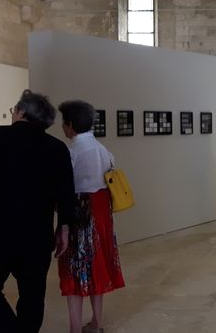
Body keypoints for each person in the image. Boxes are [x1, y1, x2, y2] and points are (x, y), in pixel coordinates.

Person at [0, 90, 76, 333]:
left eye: (13, 110)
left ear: (22, 112)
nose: (12, 114)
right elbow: (67, 194)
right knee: (32, 296)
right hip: (37, 235)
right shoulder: (57, 148)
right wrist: (64, 228)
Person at [57, 100, 125, 333]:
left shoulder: (71, 152)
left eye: (64, 122)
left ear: (71, 125)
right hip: (102, 212)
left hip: (79, 213)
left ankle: (75, 327)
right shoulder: (102, 149)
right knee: (98, 266)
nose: (62, 128)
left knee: (74, 268)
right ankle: (97, 322)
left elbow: (63, 188)